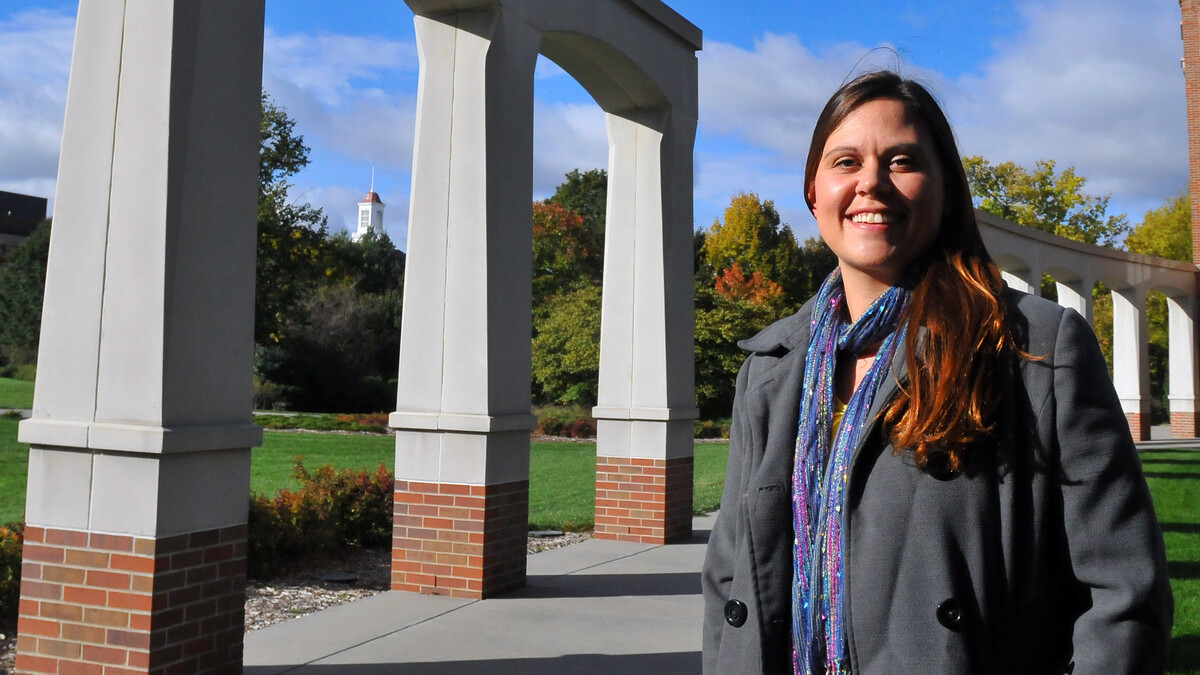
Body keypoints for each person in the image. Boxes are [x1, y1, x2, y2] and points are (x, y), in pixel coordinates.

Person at [700, 70, 1173, 674]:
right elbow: (729, 574)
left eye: (901, 161)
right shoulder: (769, 370)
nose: (871, 182)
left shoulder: (1034, 350)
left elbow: (1125, 594)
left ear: (945, 188)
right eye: (845, 162)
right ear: (814, 193)